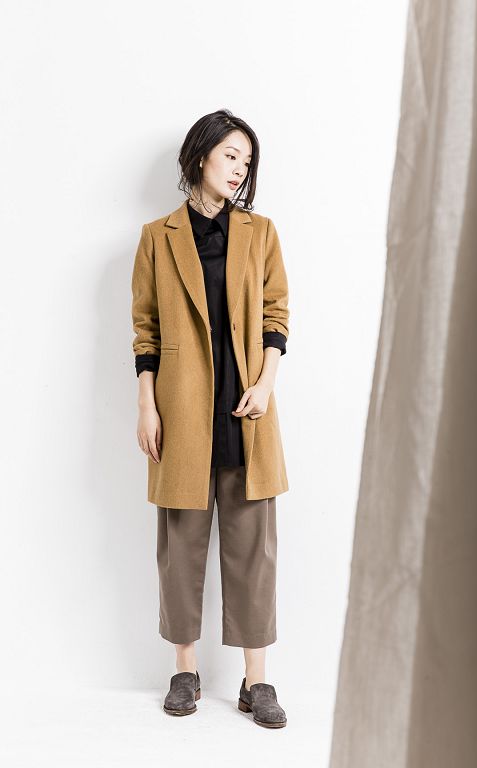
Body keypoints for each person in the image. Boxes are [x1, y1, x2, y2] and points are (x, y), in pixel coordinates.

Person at [131, 109, 290, 728]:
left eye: (247, 161)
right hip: (181, 416)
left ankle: (257, 680)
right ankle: (184, 670)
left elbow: (276, 315)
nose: (239, 169)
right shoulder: (158, 236)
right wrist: (147, 403)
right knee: (181, 550)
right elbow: (145, 329)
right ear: (200, 156)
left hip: (246, 414)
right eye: (230, 155)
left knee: (254, 552)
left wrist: (266, 384)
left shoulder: (261, 232)